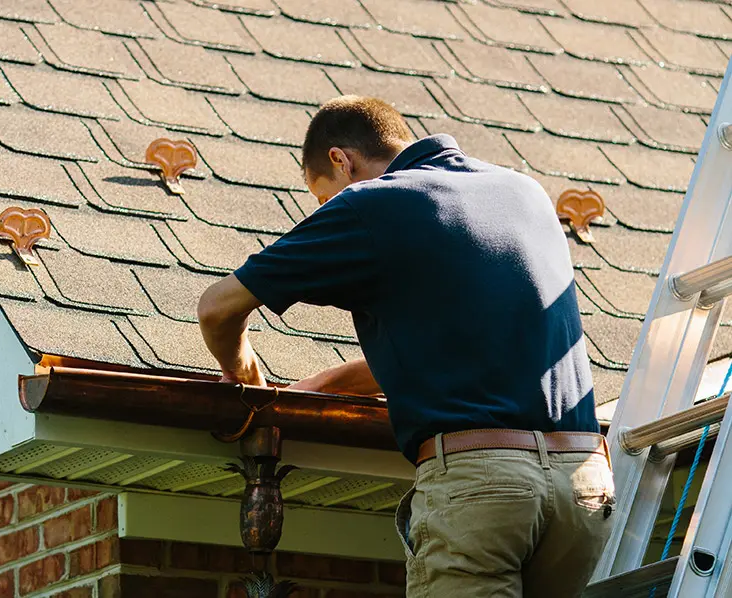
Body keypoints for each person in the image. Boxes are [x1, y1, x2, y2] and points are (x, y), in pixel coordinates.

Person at [197, 95, 615, 597]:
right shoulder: (524, 193)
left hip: (482, 486)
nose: (326, 213)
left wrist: (245, 375)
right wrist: (324, 385)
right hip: (585, 486)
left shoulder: (372, 204)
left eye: (322, 199)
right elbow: (455, 344)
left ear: (340, 160)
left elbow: (217, 307)